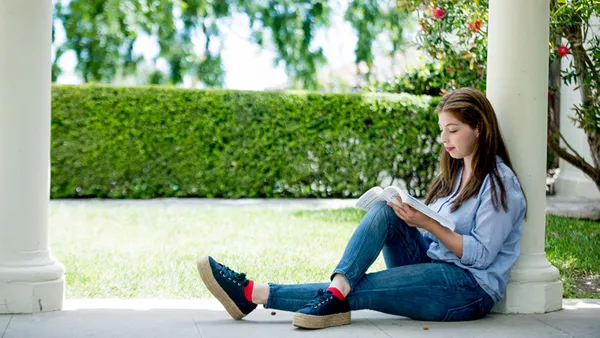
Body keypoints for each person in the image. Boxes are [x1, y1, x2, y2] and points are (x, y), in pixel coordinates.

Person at [196, 87, 527, 329]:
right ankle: (336, 288)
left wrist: (427, 224)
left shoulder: (500, 183)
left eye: (453, 130)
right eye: (442, 131)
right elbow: (436, 229)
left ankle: (252, 292)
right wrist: (412, 216)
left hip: (468, 287)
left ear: (479, 128)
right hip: (433, 262)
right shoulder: (454, 174)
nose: (445, 139)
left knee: (363, 289)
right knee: (385, 210)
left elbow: (481, 256)